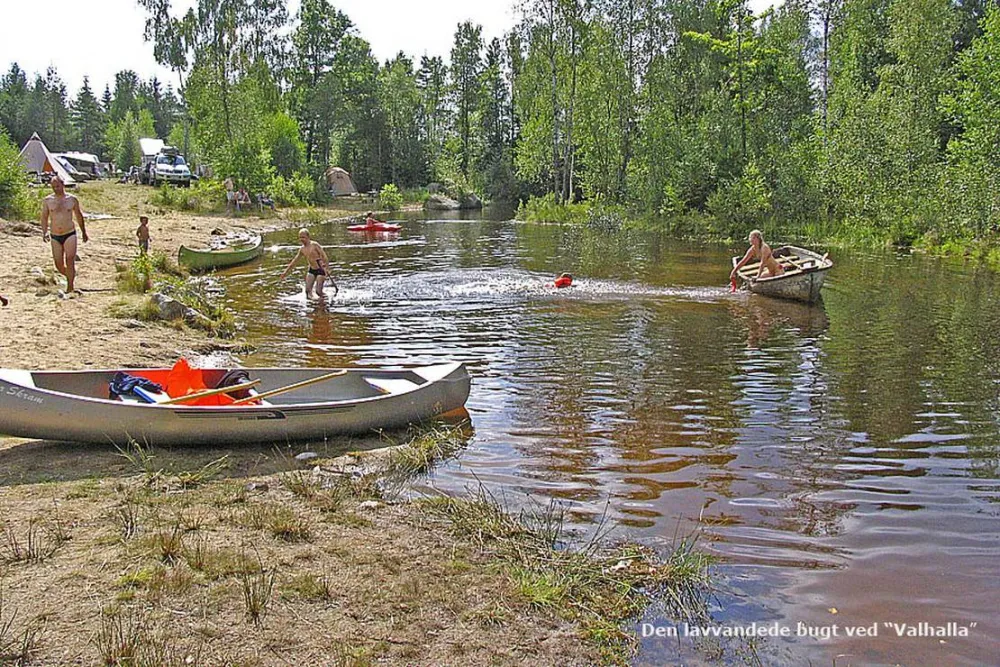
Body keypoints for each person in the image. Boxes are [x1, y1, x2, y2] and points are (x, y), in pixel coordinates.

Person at [40, 175, 88, 293]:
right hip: (55, 234)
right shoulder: (48, 200)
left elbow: (79, 216)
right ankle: (70, 276)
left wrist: (84, 232)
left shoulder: (71, 199)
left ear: (63, 184)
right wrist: (44, 232)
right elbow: (44, 217)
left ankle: (70, 287)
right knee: (58, 264)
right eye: (53, 187)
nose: (56, 189)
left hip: (69, 233)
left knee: (70, 259)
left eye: (58, 186)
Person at [279, 229, 333, 298]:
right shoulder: (302, 249)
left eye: (303, 237)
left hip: (321, 269)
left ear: (308, 237)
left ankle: (325, 301)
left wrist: (327, 268)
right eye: (300, 237)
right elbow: (294, 261)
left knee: (318, 292)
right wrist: (285, 273)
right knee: (307, 291)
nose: (301, 239)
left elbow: (324, 256)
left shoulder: (315, 245)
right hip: (312, 269)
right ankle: (311, 304)